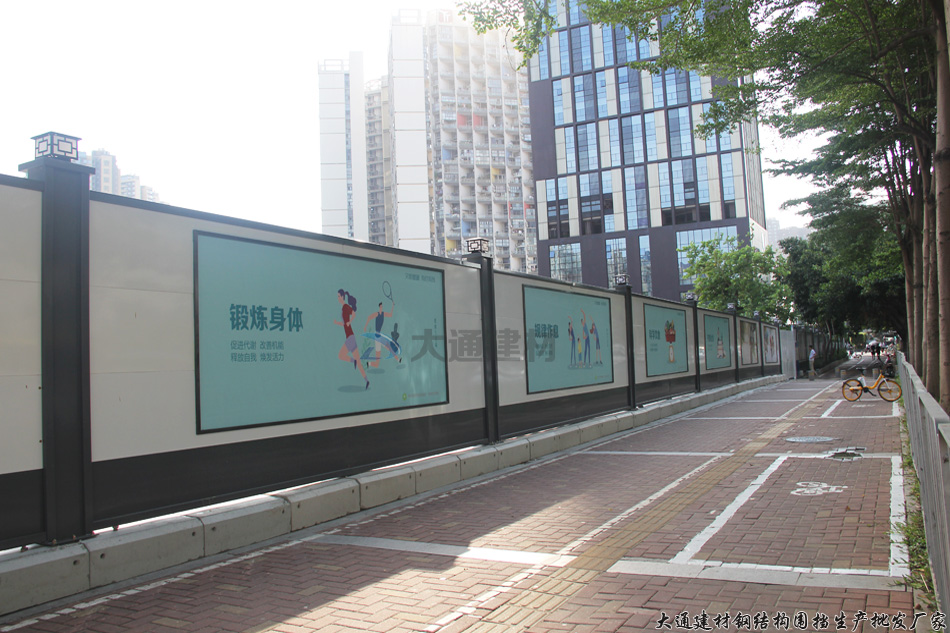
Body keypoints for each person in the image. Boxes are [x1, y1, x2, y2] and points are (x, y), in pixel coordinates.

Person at [334, 289, 370, 390]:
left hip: (350, 337)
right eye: (337, 296)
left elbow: (353, 314)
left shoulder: (346, 307)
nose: (338, 298)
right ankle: (367, 380)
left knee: (341, 355)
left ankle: (353, 361)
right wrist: (337, 323)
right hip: (351, 337)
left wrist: (349, 322)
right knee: (358, 362)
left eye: (338, 296)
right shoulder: (343, 309)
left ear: (342, 297)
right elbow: (344, 324)